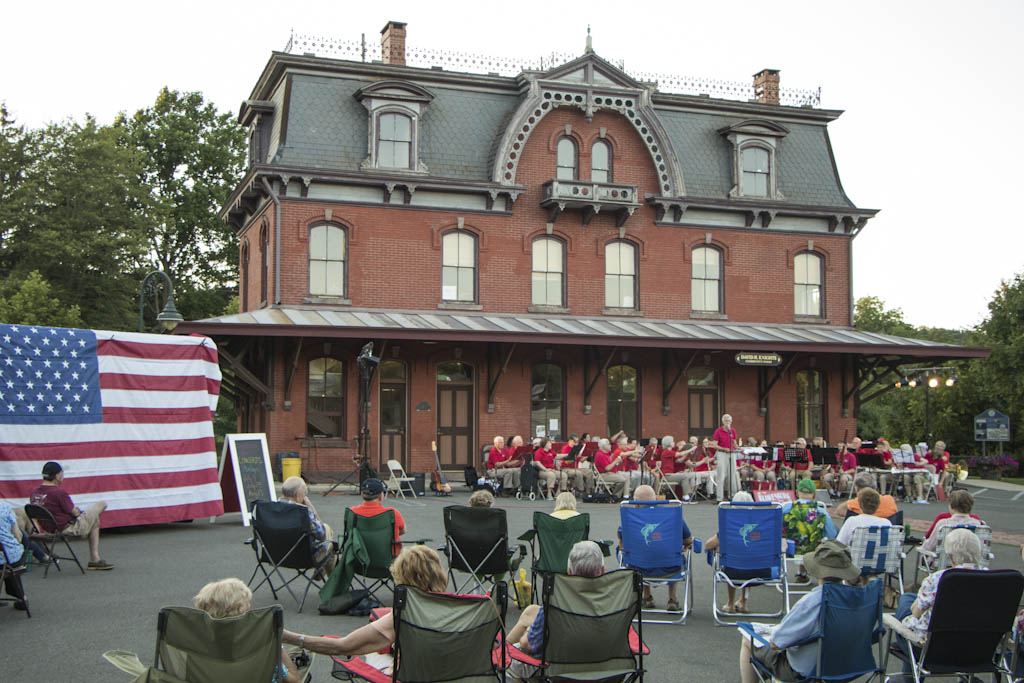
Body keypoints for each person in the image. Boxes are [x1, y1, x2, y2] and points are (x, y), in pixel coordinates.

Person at [282, 545, 448, 676]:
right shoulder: (461, 608)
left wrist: (290, 637)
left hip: (413, 677)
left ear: (402, 579)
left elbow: (342, 647)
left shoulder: (403, 614)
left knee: (376, 653)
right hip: (455, 676)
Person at [738, 540, 864, 683]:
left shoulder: (814, 601)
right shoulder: (858, 598)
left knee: (749, 640)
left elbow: (776, 643)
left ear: (817, 570)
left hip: (806, 672)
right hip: (846, 667)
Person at [892, 529, 987, 681]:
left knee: (906, 606)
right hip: (977, 649)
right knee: (910, 599)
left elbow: (915, 613)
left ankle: (911, 678)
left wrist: (918, 605)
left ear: (950, 557)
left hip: (933, 650)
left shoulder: (939, 578)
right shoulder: (993, 580)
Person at [507, 540, 606, 681]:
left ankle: (497, 655)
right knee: (531, 611)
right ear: (603, 571)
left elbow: (527, 645)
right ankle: (499, 650)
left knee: (508, 661)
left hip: (558, 668)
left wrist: (528, 633)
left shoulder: (557, 600)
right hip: (606, 667)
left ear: (569, 571)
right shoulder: (615, 598)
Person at [193, 578, 300, 683]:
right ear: (244, 611)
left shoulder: (194, 640)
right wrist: (277, 644)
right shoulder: (259, 643)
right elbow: (294, 681)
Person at [28, 461, 113, 570]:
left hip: (46, 529)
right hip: (65, 528)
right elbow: (74, 513)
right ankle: (94, 559)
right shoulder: (59, 493)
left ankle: (95, 558)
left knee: (94, 520)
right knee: (101, 505)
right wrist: (78, 512)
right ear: (57, 476)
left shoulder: (34, 492)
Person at [623, 485, 692, 611]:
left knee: (639, 551)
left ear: (636, 502)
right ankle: (672, 598)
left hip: (639, 569)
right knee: (672, 553)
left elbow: (622, 536)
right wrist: (683, 545)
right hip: (670, 568)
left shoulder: (630, 518)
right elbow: (688, 539)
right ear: (655, 498)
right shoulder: (671, 516)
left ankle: (647, 596)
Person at [705, 491, 759, 613]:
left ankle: (730, 603)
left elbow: (708, 545)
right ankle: (743, 602)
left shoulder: (730, 525)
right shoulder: (762, 526)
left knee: (730, 557)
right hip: (761, 569)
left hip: (734, 570)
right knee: (749, 556)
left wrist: (720, 546)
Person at [782, 479, 839, 582]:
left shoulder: (785, 509)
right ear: (814, 494)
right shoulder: (821, 512)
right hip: (813, 550)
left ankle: (801, 572)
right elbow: (831, 535)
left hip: (789, 550)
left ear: (797, 492)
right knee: (829, 531)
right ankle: (814, 573)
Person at [280, 476, 335, 577]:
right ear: (297, 495)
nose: (305, 496)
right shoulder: (302, 512)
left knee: (330, 551)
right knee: (328, 532)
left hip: (277, 555)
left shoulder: (272, 509)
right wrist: (311, 506)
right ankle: (334, 582)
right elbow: (321, 535)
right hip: (303, 557)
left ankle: (323, 568)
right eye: (305, 493)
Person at [350, 478, 406, 555]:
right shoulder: (393, 513)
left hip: (359, 559)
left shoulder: (352, 512)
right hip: (388, 559)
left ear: (362, 494)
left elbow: (350, 533)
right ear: (381, 496)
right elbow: (402, 531)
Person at [921, 490, 985, 553]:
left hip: (946, 562)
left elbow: (929, 546)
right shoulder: (977, 524)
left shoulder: (944, 524)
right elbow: (981, 548)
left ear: (951, 505)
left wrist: (922, 547)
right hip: (971, 561)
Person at [0, 500, 28, 610]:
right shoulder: (4, 506)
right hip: (10, 556)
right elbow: (18, 535)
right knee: (12, 557)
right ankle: (21, 597)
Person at [834, 472, 899, 519]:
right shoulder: (890, 499)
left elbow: (839, 511)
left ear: (857, 489)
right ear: (875, 487)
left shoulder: (855, 502)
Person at [713, 413, 741, 501]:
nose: (728, 423)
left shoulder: (732, 431)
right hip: (722, 453)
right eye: (726, 421)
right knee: (721, 475)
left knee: (732, 474)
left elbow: (734, 442)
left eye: (729, 421)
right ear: (723, 422)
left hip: (732, 453)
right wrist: (724, 448)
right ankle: (719, 497)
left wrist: (739, 447)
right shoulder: (718, 431)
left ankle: (731, 495)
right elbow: (714, 445)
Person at [659, 435, 695, 501]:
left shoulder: (670, 452)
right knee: (684, 476)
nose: (674, 443)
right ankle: (687, 496)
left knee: (684, 477)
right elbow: (680, 454)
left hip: (670, 474)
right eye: (672, 441)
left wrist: (686, 454)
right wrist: (690, 450)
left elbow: (679, 460)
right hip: (666, 475)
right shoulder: (666, 452)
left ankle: (686, 496)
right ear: (668, 443)